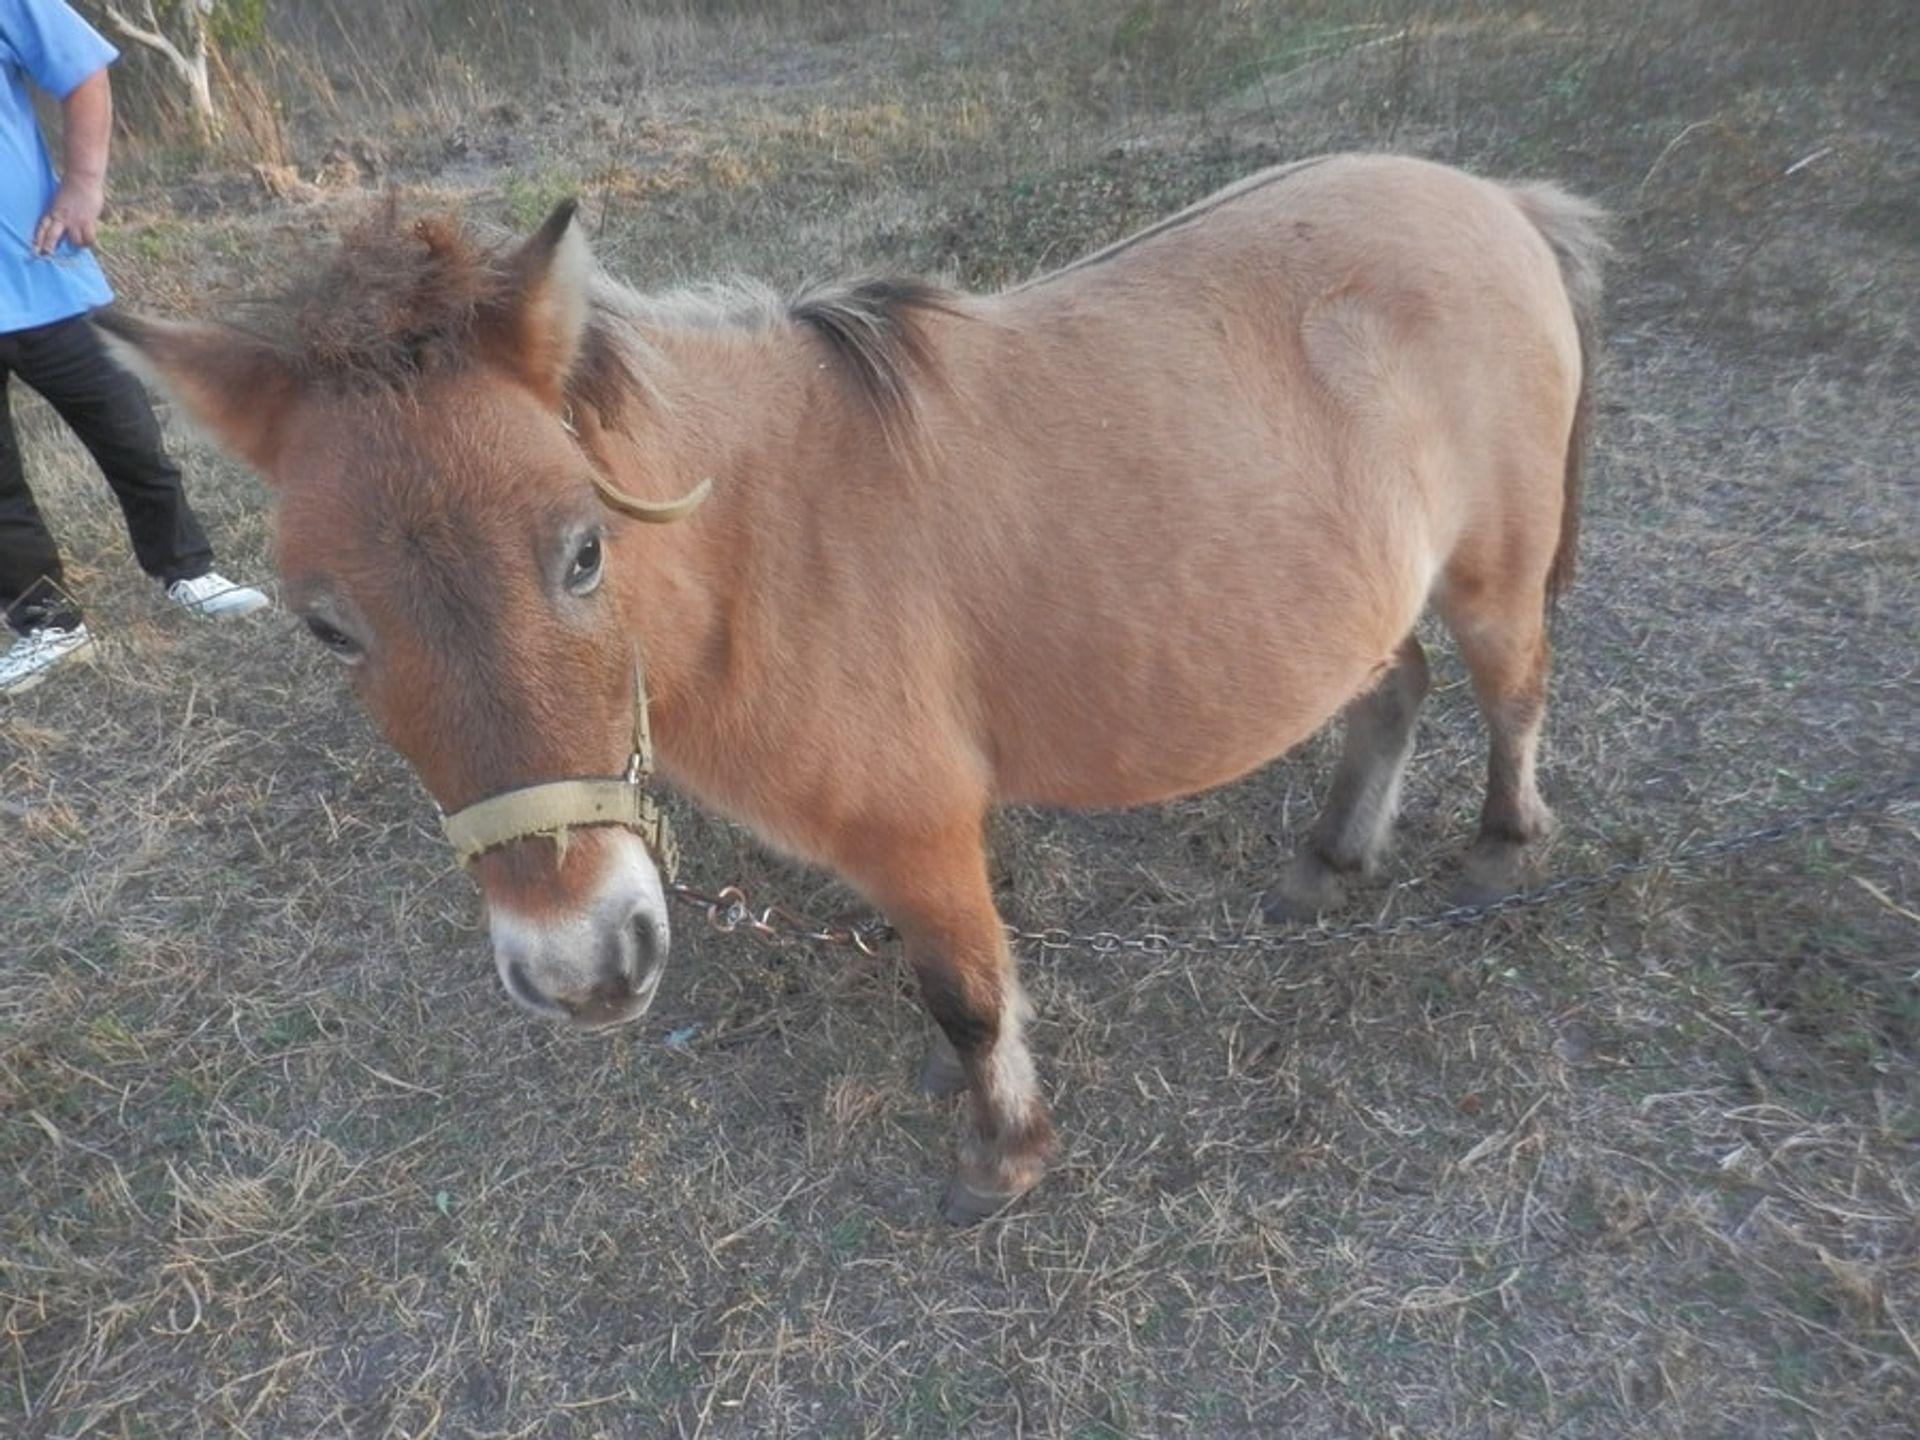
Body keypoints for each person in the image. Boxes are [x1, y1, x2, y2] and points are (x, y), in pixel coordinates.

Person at [1, 0, 266, 697]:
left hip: (41, 271)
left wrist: (84, 185)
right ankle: (49, 625)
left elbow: (83, 72)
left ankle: (187, 570)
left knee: (129, 434)